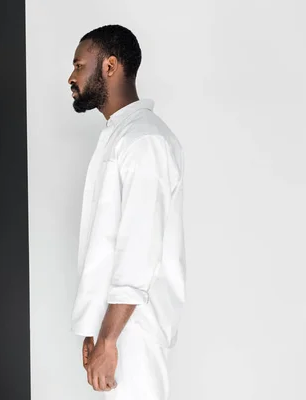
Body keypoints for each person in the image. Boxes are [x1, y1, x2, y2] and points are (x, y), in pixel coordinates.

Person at [68, 25, 186, 400]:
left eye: (79, 65)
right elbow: (105, 243)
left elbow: (139, 248)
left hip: (133, 330)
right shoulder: (120, 136)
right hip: (117, 328)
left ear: (110, 66)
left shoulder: (144, 140)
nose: (71, 77)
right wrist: (93, 328)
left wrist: (108, 337)